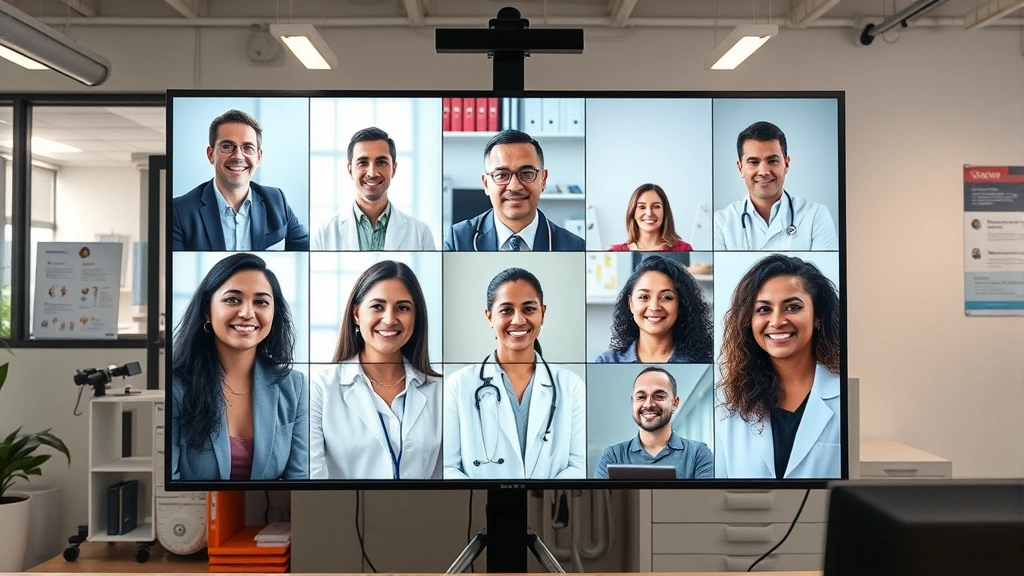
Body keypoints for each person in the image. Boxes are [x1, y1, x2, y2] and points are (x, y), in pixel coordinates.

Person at [170, 252, 308, 481]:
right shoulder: (176, 386)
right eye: (232, 299)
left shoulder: (295, 386)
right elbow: (169, 486)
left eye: (261, 302)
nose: (246, 313)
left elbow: (300, 481)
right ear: (207, 310)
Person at [443, 267, 586, 479]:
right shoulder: (458, 384)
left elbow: (578, 464)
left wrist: (539, 500)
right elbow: (448, 468)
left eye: (528, 309)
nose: (518, 320)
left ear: (543, 314)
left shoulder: (570, 385)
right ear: (489, 317)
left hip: (548, 506)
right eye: (506, 310)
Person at [309, 260, 442, 479]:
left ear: (416, 317)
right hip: (343, 512)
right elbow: (314, 479)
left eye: (403, 308)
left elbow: (446, 483)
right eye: (377, 306)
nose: (390, 319)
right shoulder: (322, 389)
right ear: (356, 314)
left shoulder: (440, 391)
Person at [715, 254, 841, 479]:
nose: (777, 321)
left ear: (818, 316)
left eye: (792, 307)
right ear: (748, 320)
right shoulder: (727, 403)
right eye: (763, 309)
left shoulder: (844, 396)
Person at [171, 109, 309, 251]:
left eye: (247, 148)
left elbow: (305, 250)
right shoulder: (180, 211)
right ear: (210, 154)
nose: (238, 156)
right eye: (227, 147)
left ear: (259, 156)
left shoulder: (277, 201)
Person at [443, 130, 585, 251]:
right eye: (502, 175)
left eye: (527, 174)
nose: (514, 186)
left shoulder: (574, 246)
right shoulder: (458, 239)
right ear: (486, 184)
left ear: (543, 179)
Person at [713, 121, 838, 251]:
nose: (764, 172)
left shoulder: (816, 216)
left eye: (772, 161)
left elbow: (822, 271)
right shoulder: (721, 222)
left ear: (786, 164)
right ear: (740, 168)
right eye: (754, 162)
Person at [311, 127, 436, 250]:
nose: (372, 173)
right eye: (363, 163)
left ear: (394, 169)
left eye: (381, 162)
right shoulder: (324, 234)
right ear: (350, 170)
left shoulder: (421, 234)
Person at [593, 367, 713, 479]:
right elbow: (600, 501)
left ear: (675, 403)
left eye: (659, 396)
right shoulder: (613, 455)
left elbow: (705, 500)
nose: (648, 404)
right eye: (641, 397)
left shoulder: (698, 453)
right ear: (632, 402)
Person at [595, 255, 713, 364]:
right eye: (644, 297)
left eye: (666, 297)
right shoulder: (606, 361)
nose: (654, 307)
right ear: (630, 304)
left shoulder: (702, 363)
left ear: (680, 304)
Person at [609, 184, 694, 252]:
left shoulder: (683, 250)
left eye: (656, 206)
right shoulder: (615, 251)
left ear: (665, 212)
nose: (649, 213)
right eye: (642, 207)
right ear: (632, 213)